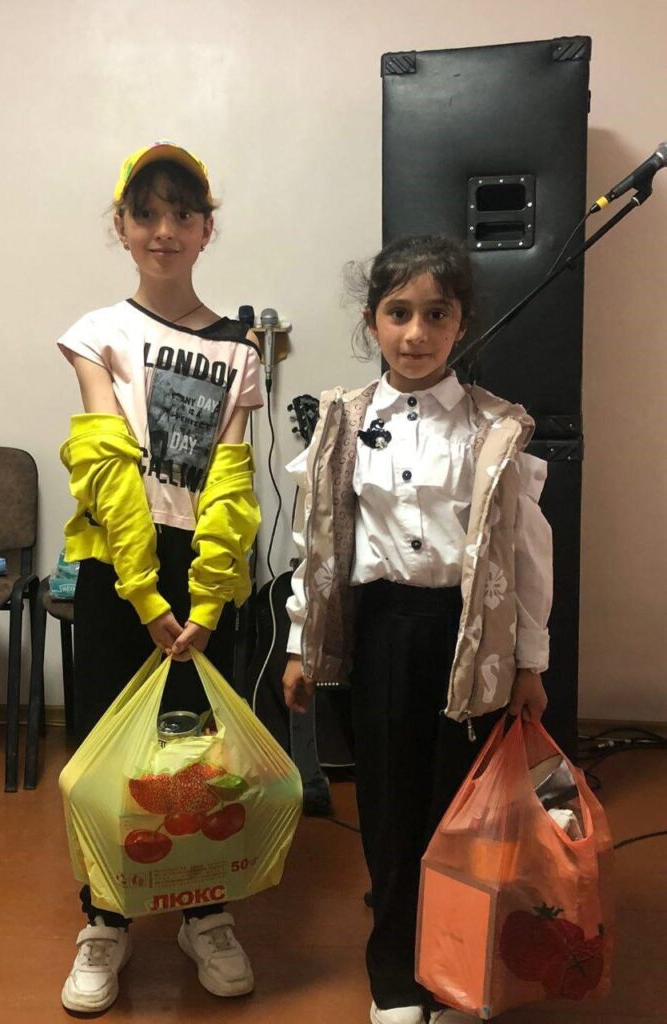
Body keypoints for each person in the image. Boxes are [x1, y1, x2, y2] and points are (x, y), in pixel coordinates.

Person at [282, 235, 553, 1024]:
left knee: (457, 810)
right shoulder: (344, 419)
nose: (415, 333)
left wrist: (529, 664)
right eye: (397, 313)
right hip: (382, 634)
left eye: (435, 314)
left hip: (466, 639)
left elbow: (527, 559)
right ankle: (397, 976)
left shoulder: (492, 429)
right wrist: (301, 642)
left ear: (461, 324)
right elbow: (315, 544)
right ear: (371, 322)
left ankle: (454, 966)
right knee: (390, 811)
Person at [57, 142, 263, 1014]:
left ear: (207, 227)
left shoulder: (240, 350)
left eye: (183, 213)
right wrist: (144, 598)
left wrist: (209, 601)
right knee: (111, 751)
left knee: (196, 756)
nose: (165, 229)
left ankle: (201, 910)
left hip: (200, 572)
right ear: (122, 227)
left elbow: (231, 480)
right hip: (117, 567)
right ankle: (105, 919)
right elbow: (105, 468)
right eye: (147, 213)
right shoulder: (96, 333)